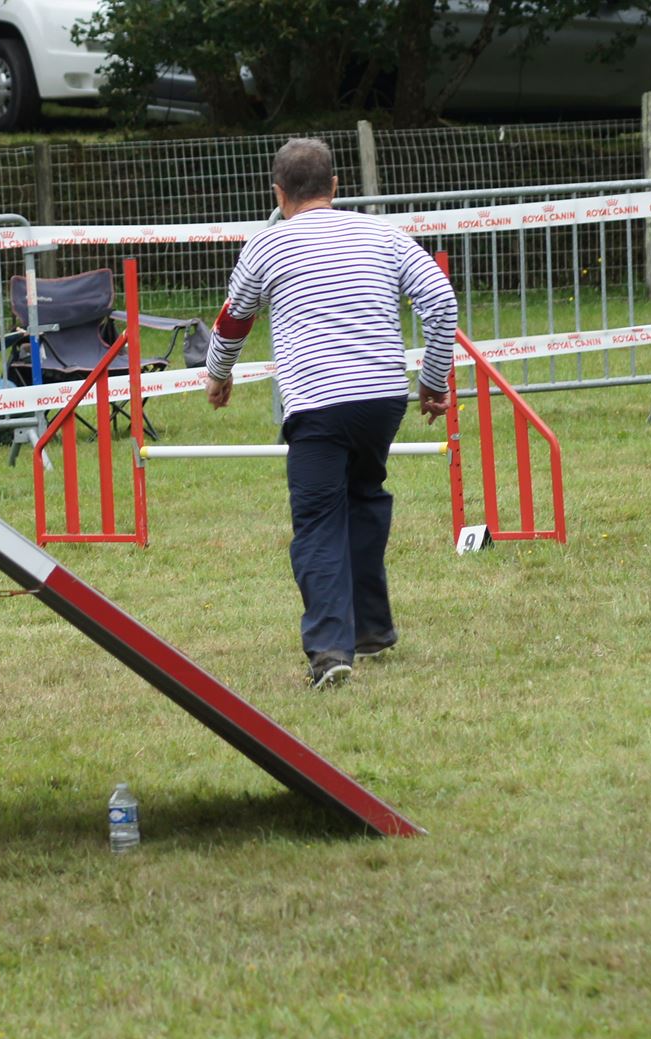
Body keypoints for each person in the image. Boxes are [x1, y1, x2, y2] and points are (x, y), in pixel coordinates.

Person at [205, 138, 458, 690]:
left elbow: (232, 321)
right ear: (336, 187)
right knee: (364, 499)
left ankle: (329, 649)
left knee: (318, 520)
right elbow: (441, 302)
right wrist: (433, 382)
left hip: (317, 401)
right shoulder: (384, 234)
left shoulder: (265, 246)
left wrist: (218, 376)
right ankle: (371, 629)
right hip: (381, 399)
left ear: (277, 192)